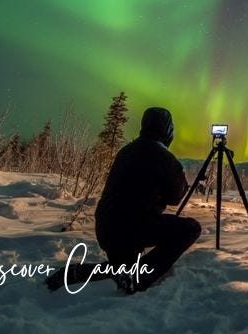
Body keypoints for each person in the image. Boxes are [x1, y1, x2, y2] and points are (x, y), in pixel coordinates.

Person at [47, 107, 201, 294]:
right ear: (168, 130)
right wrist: (181, 178)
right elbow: (175, 197)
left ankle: (75, 273)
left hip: (107, 227)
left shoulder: (126, 151)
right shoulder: (164, 158)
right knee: (190, 228)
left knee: (121, 266)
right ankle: (140, 277)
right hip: (133, 227)